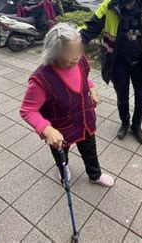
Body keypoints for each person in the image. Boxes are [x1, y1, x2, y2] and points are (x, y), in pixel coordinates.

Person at [20, 23, 114, 187]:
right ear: (54, 52)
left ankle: (95, 175)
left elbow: (84, 78)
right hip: (60, 127)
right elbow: (28, 110)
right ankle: (63, 169)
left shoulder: (80, 61)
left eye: (78, 50)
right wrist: (46, 129)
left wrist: (92, 90)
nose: (77, 56)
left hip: (85, 121)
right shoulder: (41, 79)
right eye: (71, 53)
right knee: (61, 153)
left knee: (90, 151)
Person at [80, 0, 142, 144]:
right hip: (117, 62)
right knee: (121, 97)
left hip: (141, 63)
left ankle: (136, 126)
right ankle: (125, 123)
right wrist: (73, 41)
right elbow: (91, 28)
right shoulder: (109, 5)